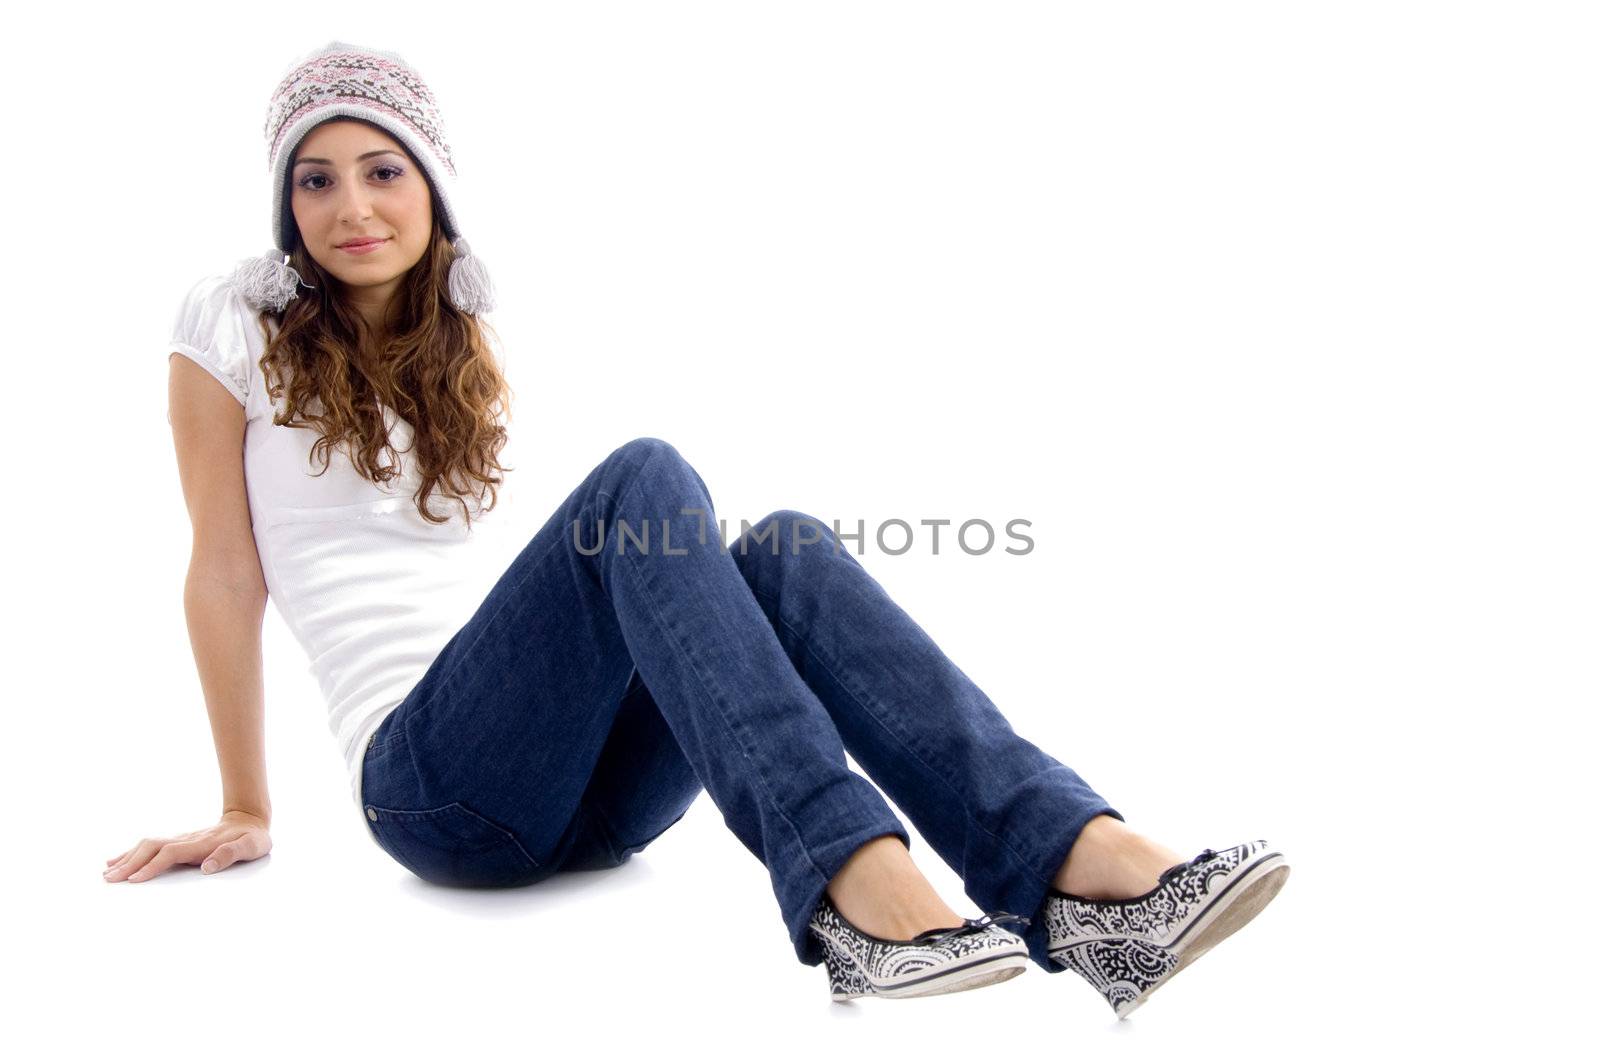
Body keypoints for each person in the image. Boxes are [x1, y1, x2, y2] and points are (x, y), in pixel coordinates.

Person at [108, 40, 1290, 1017]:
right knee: (644, 478)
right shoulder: (229, 324)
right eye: (314, 179)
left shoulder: (461, 351)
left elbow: (561, 625)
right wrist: (249, 804)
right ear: (283, 202)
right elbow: (220, 571)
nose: (351, 205)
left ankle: (1081, 878)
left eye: (382, 169)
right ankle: (850, 883)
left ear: (434, 188)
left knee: (777, 547)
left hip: (588, 797)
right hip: (429, 788)